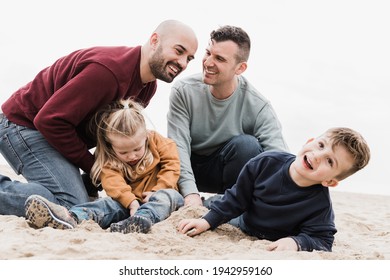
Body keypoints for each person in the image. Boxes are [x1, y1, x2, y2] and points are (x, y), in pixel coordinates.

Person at [0, 19, 198, 217]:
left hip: (49, 134)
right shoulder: (108, 72)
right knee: (71, 205)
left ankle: (82, 185)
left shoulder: (148, 87)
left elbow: (113, 139)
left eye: (189, 58)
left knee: (81, 201)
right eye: (178, 51)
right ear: (154, 40)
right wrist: (97, 169)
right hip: (22, 126)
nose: (182, 63)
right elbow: (49, 120)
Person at [177, 127, 371, 252]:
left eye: (330, 161)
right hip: (243, 217)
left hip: (272, 235)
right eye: (320, 145)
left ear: (330, 181)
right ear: (309, 141)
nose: (318, 156)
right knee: (211, 206)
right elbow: (236, 199)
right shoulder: (266, 162)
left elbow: (323, 240)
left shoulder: (320, 205)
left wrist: (296, 243)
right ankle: (177, 200)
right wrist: (207, 221)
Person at [167, 25, 288, 207]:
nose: (208, 63)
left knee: (248, 146)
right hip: (188, 166)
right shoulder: (184, 90)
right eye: (208, 53)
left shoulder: (258, 105)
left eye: (219, 59)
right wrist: (191, 194)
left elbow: (279, 157)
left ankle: (228, 204)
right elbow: (178, 146)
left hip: (226, 170)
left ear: (240, 68)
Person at [24, 98, 183, 234]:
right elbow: (113, 182)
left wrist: (158, 190)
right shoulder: (108, 157)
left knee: (169, 196)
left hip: (159, 198)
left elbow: (172, 166)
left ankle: (143, 219)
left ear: (146, 136)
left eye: (137, 149)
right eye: (124, 152)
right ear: (111, 146)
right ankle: (70, 217)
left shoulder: (159, 142)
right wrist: (131, 202)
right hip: (129, 203)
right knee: (106, 205)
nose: (132, 156)